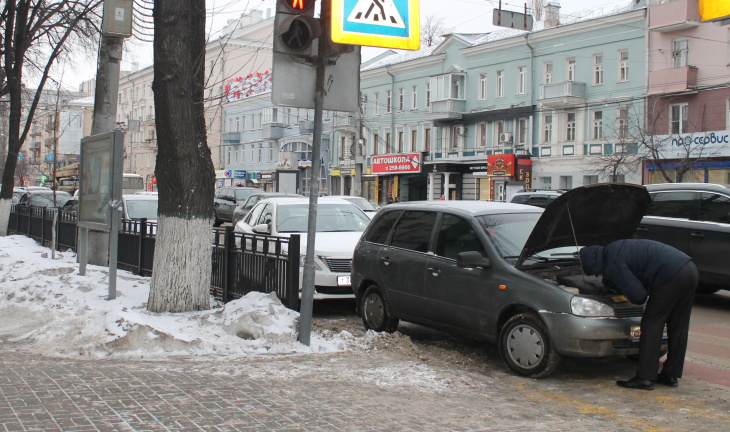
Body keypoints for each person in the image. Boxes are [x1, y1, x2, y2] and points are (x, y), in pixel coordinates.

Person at [580, 239, 698, 391]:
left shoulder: (612, 262)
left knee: (651, 325)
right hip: (689, 269)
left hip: (669, 276)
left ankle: (645, 378)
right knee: (678, 325)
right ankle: (671, 374)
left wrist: (620, 288)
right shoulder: (614, 249)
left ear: (593, 261)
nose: (598, 274)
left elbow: (639, 296)